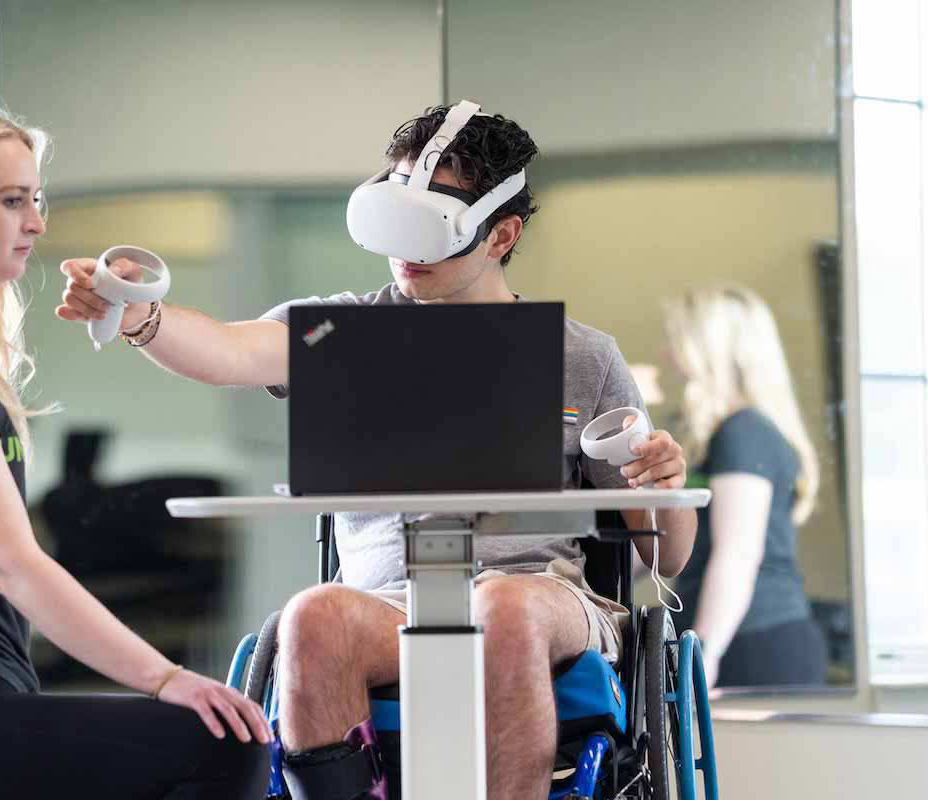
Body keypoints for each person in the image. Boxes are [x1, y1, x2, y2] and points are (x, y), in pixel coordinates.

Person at [57, 103, 697, 800]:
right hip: (388, 603)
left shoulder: (583, 356)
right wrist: (138, 313)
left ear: (501, 234)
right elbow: (225, 349)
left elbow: (666, 553)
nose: (406, 251)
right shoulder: (339, 332)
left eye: (431, 231)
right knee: (312, 617)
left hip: (544, 598)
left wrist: (661, 479)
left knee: (500, 607)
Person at [0, 101, 270, 800]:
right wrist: (167, 677)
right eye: (11, 201)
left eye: (37, 199)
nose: (36, 222)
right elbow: (10, 561)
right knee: (220, 746)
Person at [664, 286, 827, 689]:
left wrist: (706, 651)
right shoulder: (712, 437)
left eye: (678, 343)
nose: (669, 355)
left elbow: (738, 552)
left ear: (710, 351)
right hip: (729, 634)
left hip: (754, 641)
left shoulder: (745, 432)